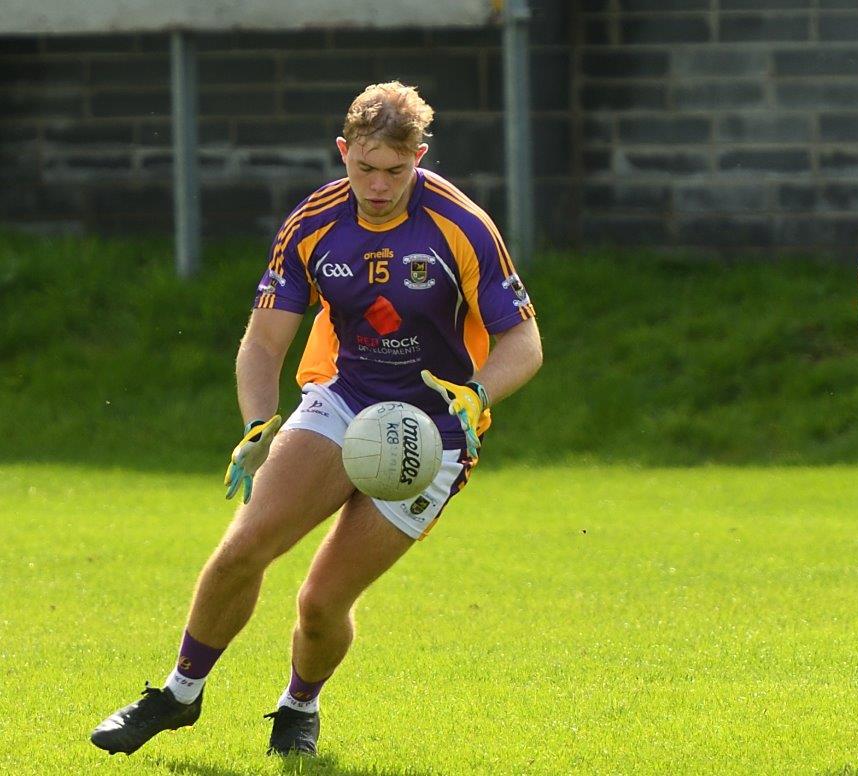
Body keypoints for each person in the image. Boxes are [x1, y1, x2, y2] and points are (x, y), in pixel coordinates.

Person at [91, 81, 542, 757]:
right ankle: (179, 695)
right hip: (344, 398)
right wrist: (255, 424)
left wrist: (477, 396)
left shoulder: (462, 225)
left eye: (397, 169)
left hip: (434, 432)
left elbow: (524, 344)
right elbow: (264, 341)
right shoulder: (313, 222)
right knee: (244, 547)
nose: (380, 185)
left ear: (420, 154)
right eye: (365, 168)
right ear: (343, 151)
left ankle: (299, 705)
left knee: (320, 603)